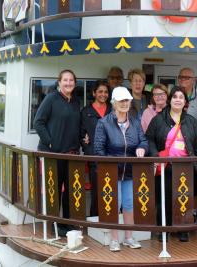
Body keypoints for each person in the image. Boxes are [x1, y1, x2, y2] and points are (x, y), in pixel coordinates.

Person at [146, 86, 197, 242]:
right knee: (164, 198)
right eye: (175, 96)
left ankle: (183, 229)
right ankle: (164, 229)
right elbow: (149, 139)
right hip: (165, 165)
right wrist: (155, 156)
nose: (178, 99)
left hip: (185, 166)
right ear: (170, 99)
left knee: (183, 199)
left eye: (181, 97)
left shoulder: (191, 121)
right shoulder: (158, 119)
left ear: (185, 102)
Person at [94, 86, 148, 251]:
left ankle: (129, 238)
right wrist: (106, 168)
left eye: (127, 100)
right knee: (114, 204)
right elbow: (98, 149)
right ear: (114, 103)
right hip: (111, 173)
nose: (125, 103)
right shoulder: (103, 123)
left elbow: (143, 141)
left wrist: (142, 148)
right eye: (121, 100)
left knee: (129, 204)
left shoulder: (136, 122)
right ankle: (114, 239)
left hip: (130, 172)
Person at [34, 69, 81, 235]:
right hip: (54, 155)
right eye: (65, 80)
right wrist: (51, 142)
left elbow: (76, 125)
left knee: (70, 191)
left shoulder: (76, 101)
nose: (68, 83)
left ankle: (68, 223)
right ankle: (55, 226)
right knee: (54, 190)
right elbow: (38, 123)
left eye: (71, 80)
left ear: (74, 83)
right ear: (59, 82)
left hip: (71, 154)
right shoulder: (51, 98)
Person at [80, 80, 112, 216]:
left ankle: (110, 219)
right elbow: (81, 134)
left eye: (105, 92)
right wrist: (87, 148)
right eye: (100, 91)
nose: (103, 94)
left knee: (112, 191)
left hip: (112, 157)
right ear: (94, 93)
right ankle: (94, 220)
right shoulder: (86, 111)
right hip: (95, 158)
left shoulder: (113, 109)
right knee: (97, 191)